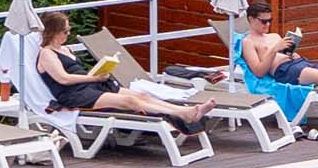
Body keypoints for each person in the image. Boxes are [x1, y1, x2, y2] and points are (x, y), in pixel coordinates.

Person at [36, 32, 210, 123]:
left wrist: (97, 74)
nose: (68, 34)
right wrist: (93, 79)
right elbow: (63, 79)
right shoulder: (47, 53)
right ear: (54, 32)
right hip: (75, 95)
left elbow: (77, 73)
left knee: (143, 96)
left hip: (91, 86)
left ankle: (185, 111)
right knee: (130, 101)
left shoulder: (65, 49)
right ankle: (183, 114)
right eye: (65, 31)